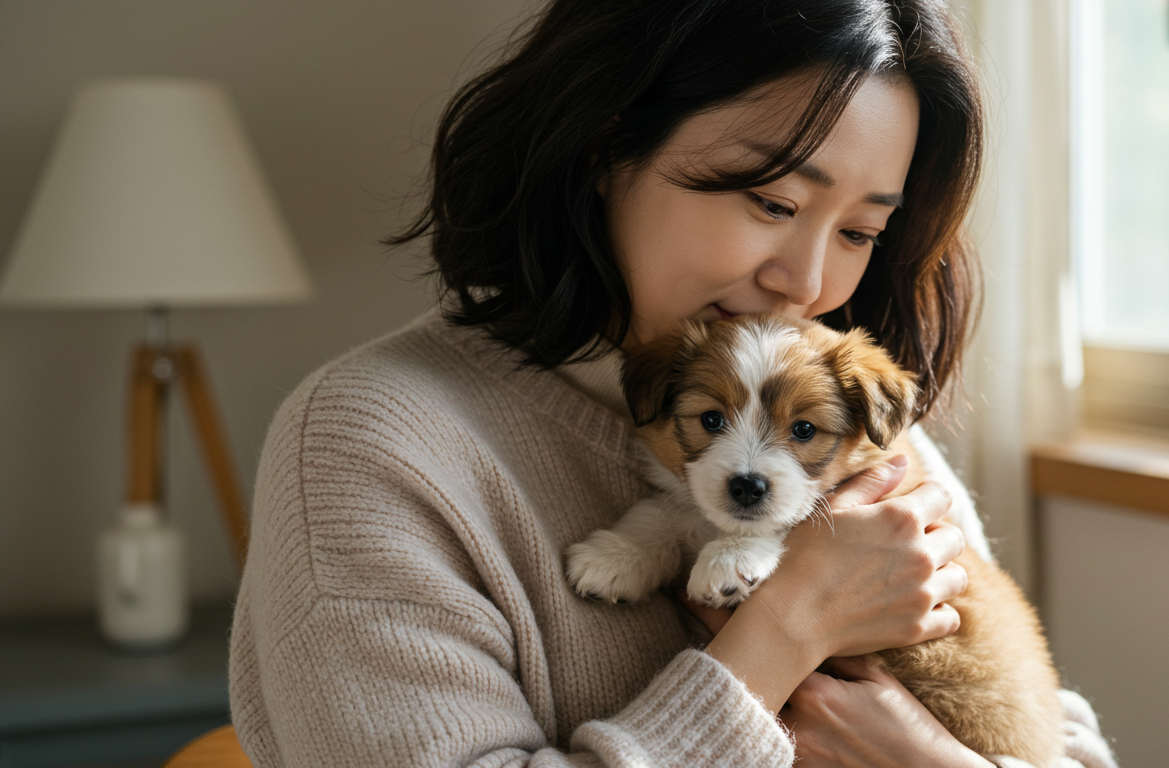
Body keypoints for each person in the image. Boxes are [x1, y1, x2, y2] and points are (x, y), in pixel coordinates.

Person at [229, 1, 1118, 766]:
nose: (807, 285)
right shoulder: (371, 446)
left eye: (860, 232)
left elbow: (1054, 735)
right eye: (772, 203)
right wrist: (784, 633)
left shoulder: (835, 414)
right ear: (604, 143)